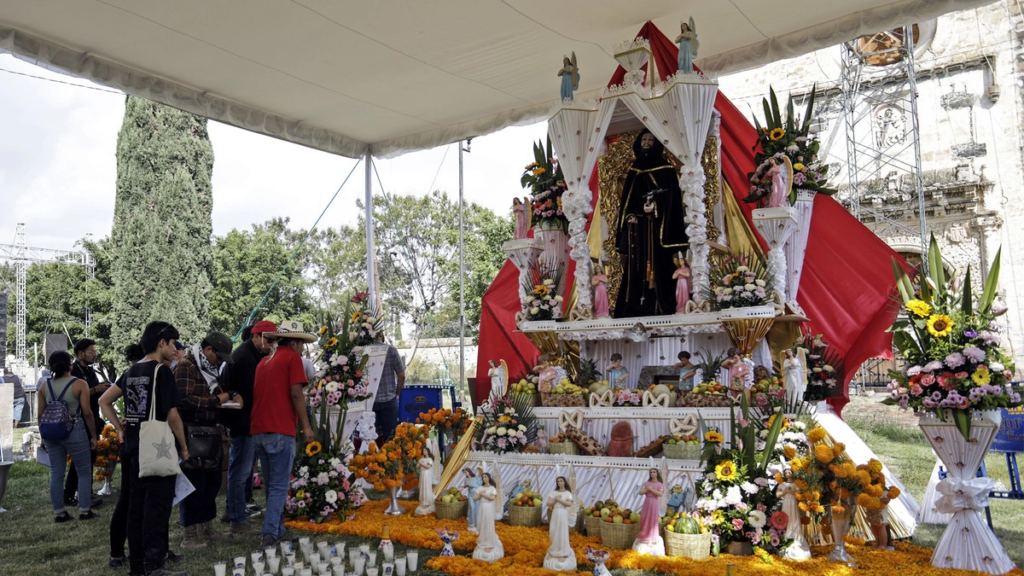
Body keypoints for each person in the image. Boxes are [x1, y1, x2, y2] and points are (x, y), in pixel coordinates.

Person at [99, 321, 189, 576]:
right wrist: (183, 447)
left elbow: (104, 401)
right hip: (156, 448)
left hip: (133, 448)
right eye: (172, 344)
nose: (175, 349)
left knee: (135, 509)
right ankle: (155, 565)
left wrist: (119, 427)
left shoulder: (131, 371)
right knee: (157, 509)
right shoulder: (162, 372)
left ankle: (137, 567)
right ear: (161, 342)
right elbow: (172, 415)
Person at [250, 320, 316, 549]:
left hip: (259, 430)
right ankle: (269, 535)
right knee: (278, 486)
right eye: (302, 345)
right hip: (280, 429)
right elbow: (297, 393)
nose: (302, 350)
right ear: (295, 342)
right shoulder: (291, 358)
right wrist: (306, 426)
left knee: (271, 485)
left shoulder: (264, 362)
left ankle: (278, 530)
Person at [614, 130, 688, 318]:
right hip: (637, 230)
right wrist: (630, 215)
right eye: (644, 139)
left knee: (658, 264)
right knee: (636, 267)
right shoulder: (634, 169)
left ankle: (659, 304)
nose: (647, 143)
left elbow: (671, 201)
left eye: (651, 140)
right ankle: (634, 307)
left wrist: (655, 209)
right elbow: (627, 202)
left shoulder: (665, 168)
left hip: (657, 230)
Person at [174, 331, 237, 548]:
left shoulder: (208, 368)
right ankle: (190, 534)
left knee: (211, 482)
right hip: (192, 431)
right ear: (208, 350)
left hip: (210, 430)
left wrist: (229, 395)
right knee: (193, 483)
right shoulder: (186, 366)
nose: (220, 362)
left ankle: (207, 527)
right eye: (219, 357)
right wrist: (214, 401)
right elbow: (183, 400)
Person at [223, 320, 278, 533]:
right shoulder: (245, 358)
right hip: (244, 422)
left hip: (247, 421)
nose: (272, 344)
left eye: (275, 340)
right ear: (255, 336)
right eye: (269, 340)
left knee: (241, 470)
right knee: (240, 472)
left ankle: (231, 510)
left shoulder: (252, 354)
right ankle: (237, 520)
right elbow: (254, 392)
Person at [38, 351, 98, 522]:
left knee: (56, 472)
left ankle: (59, 513)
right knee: (84, 471)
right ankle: (85, 510)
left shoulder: (44, 386)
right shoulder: (79, 384)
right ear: (69, 364)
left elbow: (40, 415)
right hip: (74, 429)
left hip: (51, 432)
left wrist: (43, 437)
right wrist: (93, 436)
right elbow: (87, 413)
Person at [65, 338, 109, 509]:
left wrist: (104, 390)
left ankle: (76, 492)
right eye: (92, 352)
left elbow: (93, 394)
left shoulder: (90, 371)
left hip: (93, 418)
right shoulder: (73, 371)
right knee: (82, 459)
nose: (94, 355)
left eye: (95, 352)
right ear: (81, 353)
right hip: (80, 420)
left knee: (87, 458)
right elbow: (74, 395)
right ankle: (77, 494)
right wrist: (94, 390)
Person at [373, 343, 406, 444]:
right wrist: (397, 393)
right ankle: (389, 459)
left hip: (369, 402)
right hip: (388, 400)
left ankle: (371, 459)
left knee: (369, 439)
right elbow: (402, 375)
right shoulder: (391, 350)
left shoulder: (361, 350)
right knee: (390, 439)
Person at [543, 476, 576, 571]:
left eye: (561, 481)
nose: (559, 482)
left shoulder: (568, 493)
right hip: (555, 513)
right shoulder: (554, 493)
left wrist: (558, 500)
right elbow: (548, 503)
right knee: (554, 531)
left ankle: (562, 552)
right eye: (558, 481)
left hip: (563, 513)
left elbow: (569, 504)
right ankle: (554, 550)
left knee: (562, 532)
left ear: (564, 482)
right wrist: (555, 500)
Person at [776, 468, 810, 560]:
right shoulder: (782, 484)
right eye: (786, 472)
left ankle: (795, 539)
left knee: (794, 520)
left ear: (792, 473)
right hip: (786, 503)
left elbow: (798, 495)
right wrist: (784, 492)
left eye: (789, 472)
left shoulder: (796, 483)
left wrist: (789, 491)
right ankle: (785, 540)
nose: (787, 474)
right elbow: (778, 495)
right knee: (785, 521)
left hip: (793, 503)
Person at [632, 468, 665, 556]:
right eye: (651, 472)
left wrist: (651, 490)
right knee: (644, 518)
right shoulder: (646, 483)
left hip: (654, 502)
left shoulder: (660, 484)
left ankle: (652, 538)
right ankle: (644, 535)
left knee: (653, 519)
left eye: (654, 472)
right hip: (647, 502)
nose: (652, 473)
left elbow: (660, 494)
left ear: (657, 473)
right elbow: (640, 492)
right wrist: (648, 489)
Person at [472, 472, 504, 562]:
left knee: (488, 524)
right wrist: (480, 494)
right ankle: (482, 541)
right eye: (483, 477)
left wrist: (483, 494)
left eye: (485, 477)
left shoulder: (492, 488)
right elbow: (475, 497)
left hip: (489, 508)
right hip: (482, 507)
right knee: (482, 524)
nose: (484, 478)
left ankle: (489, 543)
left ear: (489, 478)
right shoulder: (481, 488)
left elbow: (492, 498)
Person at [414, 446, 436, 516]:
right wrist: (420, 463)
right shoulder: (422, 459)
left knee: (426, 487)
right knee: (422, 487)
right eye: (423, 450)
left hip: (427, 475)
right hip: (422, 475)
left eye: (425, 450)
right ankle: (423, 501)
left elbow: (428, 467)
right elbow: (417, 467)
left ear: (428, 451)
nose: (424, 452)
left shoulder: (429, 459)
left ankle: (427, 502)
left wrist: (421, 463)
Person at [462, 467, 482, 534]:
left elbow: (479, 484)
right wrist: (465, 485)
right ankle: (471, 523)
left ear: (469, 471)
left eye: (466, 472)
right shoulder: (465, 479)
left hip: (476, 494)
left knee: (476, 507)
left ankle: (477, 523)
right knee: (472, 507)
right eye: (464, 473)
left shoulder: (475, 478)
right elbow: (465, 486)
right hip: (470, 494)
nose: (465, 473)